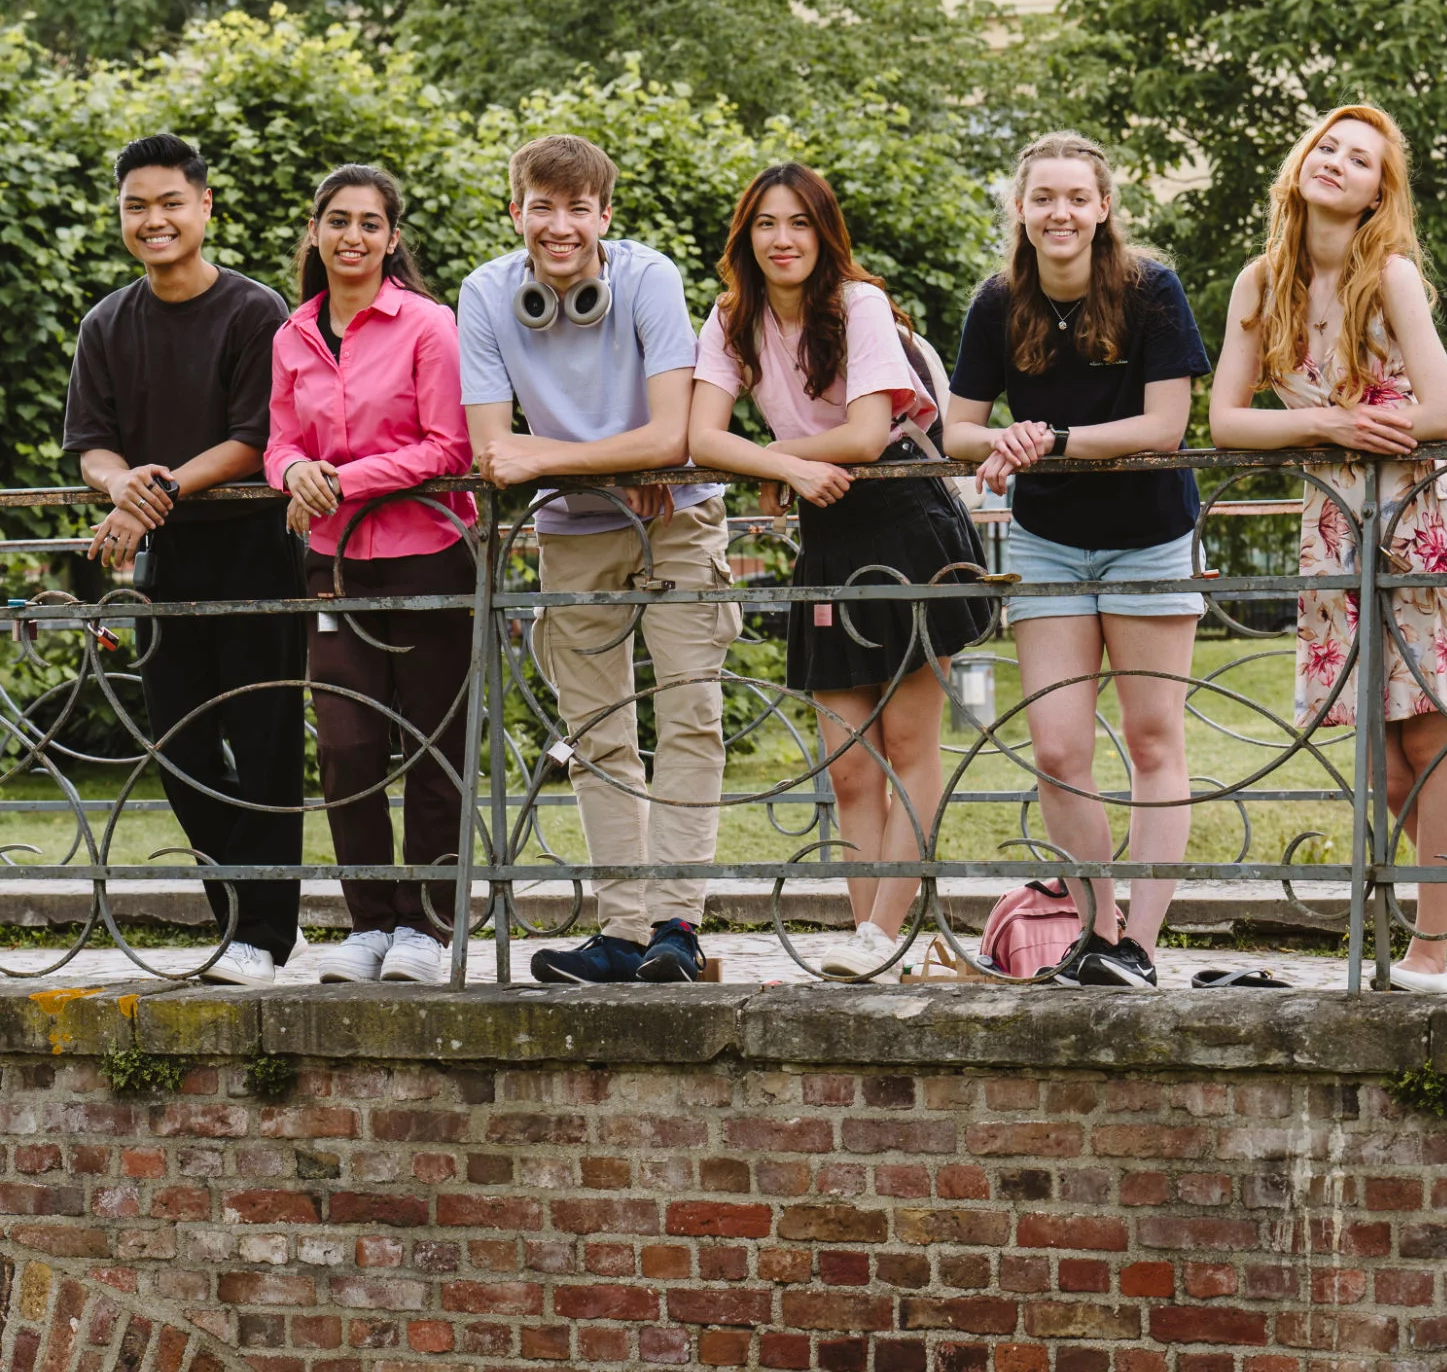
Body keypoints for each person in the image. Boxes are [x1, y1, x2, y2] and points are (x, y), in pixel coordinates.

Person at [1211, 104, 1447, 994]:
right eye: (1329, 148)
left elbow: (1443, 413)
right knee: (1383, 761)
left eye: (1361, 161)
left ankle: (1432, 950)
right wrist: (1336, 422)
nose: (1339, 164)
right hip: (1334, 524)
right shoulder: (1259, 282)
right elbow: (1227, 419)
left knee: (1431, 742)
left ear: (1375, 193)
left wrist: (1342, 426)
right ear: (1303, 164)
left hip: (1420, 520)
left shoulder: (1385, 272)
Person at [688, 163, 991, 981]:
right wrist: (784, 470)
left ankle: (879, 935)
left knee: (906, 741)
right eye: (765, 224)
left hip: (906, 518)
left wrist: (774, 458)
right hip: (828, 531)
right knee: (849, 760)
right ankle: (870, 939)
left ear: (825, 234)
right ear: (745, 236)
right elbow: (701, 437)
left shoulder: (858, 304)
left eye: (799, 223)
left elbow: (863, 435)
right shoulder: (729, 320)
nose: (782, 240)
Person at [458, 134, 737, 985]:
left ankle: (675, 927)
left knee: (692, 718)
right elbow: (494, 453)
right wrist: (622, 466)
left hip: (677, 519)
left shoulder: (648, 277)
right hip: (573, 536)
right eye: (542, 206)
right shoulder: (485, 294)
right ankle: (621, 932)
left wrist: (566, 458)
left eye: (579, 208)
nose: (560, 224)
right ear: (518, 213)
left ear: (605, 217)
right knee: (597, 737)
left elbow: (673, 435)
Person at [944, 132, 1212, 989]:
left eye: (1076, 198)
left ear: (1103, 209)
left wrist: (1051, 436)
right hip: (1048, 539)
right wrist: (1007, 437)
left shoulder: (1151, 291)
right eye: (1042, 198)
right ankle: (1098, 930)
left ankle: (1144, 944)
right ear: (1020, 211)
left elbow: (1164, 428)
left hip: (1149, 538)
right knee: (1058, 749)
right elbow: (956, 430)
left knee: (1151, 738)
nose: (1060, 212)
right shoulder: (997, 302)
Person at [65, 133, 304, 987]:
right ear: (121, 216)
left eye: (170, 202)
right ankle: (239, 919)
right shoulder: (106, 322)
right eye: (137, 205)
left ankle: (266, 937)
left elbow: (256, 439)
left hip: (259, 560)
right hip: (165, 571)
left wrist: (150, 491)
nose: (153, 219)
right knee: (179, 749)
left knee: (267, 742)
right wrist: (122, 483)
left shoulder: (255, 310)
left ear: (206, 207)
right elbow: (90, 446)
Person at [265, 165, 479, 985]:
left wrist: (343, 479)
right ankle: (369, 923)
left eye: (370, 223)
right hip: (334, 568)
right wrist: (293, 474)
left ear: (392, 239)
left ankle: (426, 927)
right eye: (337, 220)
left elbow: (448, 447)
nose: (352, 236)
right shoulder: (293, 334)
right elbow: (280, 440)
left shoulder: (429, 325)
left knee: (433, 744)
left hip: (429, 557)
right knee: (348, 749)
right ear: (315, 232)